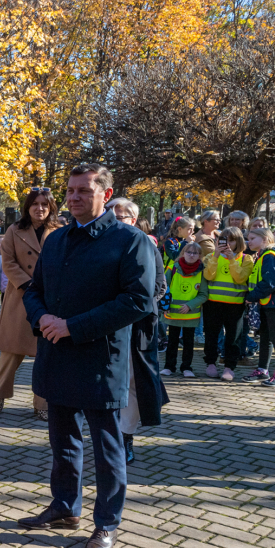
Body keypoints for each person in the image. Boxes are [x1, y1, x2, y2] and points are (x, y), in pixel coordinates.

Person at [18, 163, 156, 548]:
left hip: (101, 360)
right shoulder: (58, 240)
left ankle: (107, 524)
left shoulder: (130, 241)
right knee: (62, 440)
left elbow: (137, 301)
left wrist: (73, 327)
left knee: (107, 448)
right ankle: (64, 507)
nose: (74, 197)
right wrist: (41, 317)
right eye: (71, 190)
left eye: (83, 190)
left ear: (106, 195)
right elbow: (34, 289)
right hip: (56, 354)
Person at [107, 198, 169, 466]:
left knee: (133, 380)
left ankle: (125, 437)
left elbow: (158, 287)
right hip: (103, 324)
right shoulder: (98, 246)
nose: (115, 220)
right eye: (111, 215)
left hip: (137, 325)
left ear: (133, 220)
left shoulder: (147, 246)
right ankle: (106, 435)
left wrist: (129, 306)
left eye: (121, 217)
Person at [0, 186, 57, 419]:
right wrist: (28, 285)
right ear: (27, 207)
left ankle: (42, 405)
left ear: (51, 207)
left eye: (44, 204)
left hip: (50, 299)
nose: (39, 208)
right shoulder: (14, 229)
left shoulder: (61, 230)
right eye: (35, 204)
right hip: (20, 297)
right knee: (11, 352)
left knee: (46, 356)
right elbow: (7, 261)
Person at [242, 228, 275, 386]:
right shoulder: (263, 255)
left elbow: (269, 282)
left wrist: (251, 297)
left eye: (252, 238)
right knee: (265, 337)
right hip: (267, 302)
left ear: (264, 239)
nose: (248, 242)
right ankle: (262, 370)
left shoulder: (271, 256)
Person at [201, 227, 253, 381]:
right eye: (224, 240)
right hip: (213, 303)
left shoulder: (246, 259)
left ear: (238, 241)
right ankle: (210, 363)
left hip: (235, 304)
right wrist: (216, 256)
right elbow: (208, 275)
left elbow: (240, 278)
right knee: (211, 335)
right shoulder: (210, 256)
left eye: (231, 240)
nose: (228, 244)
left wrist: (231, 259)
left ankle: (229, 367)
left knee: (233, 337)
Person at [160, 242, 209, 377]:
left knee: (188, 342)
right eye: (189, 252)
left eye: (195, 253)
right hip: (172, 313)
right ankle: (169, 366)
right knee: (172, 342)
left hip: (190, 315)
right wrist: (165, 306)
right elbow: (163, 288)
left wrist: (190, 305)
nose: (191, 255)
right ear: (183, 253)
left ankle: (186, 367)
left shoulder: (202, 271)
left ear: (200, 255)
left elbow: (204, 294)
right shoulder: (172, 268)